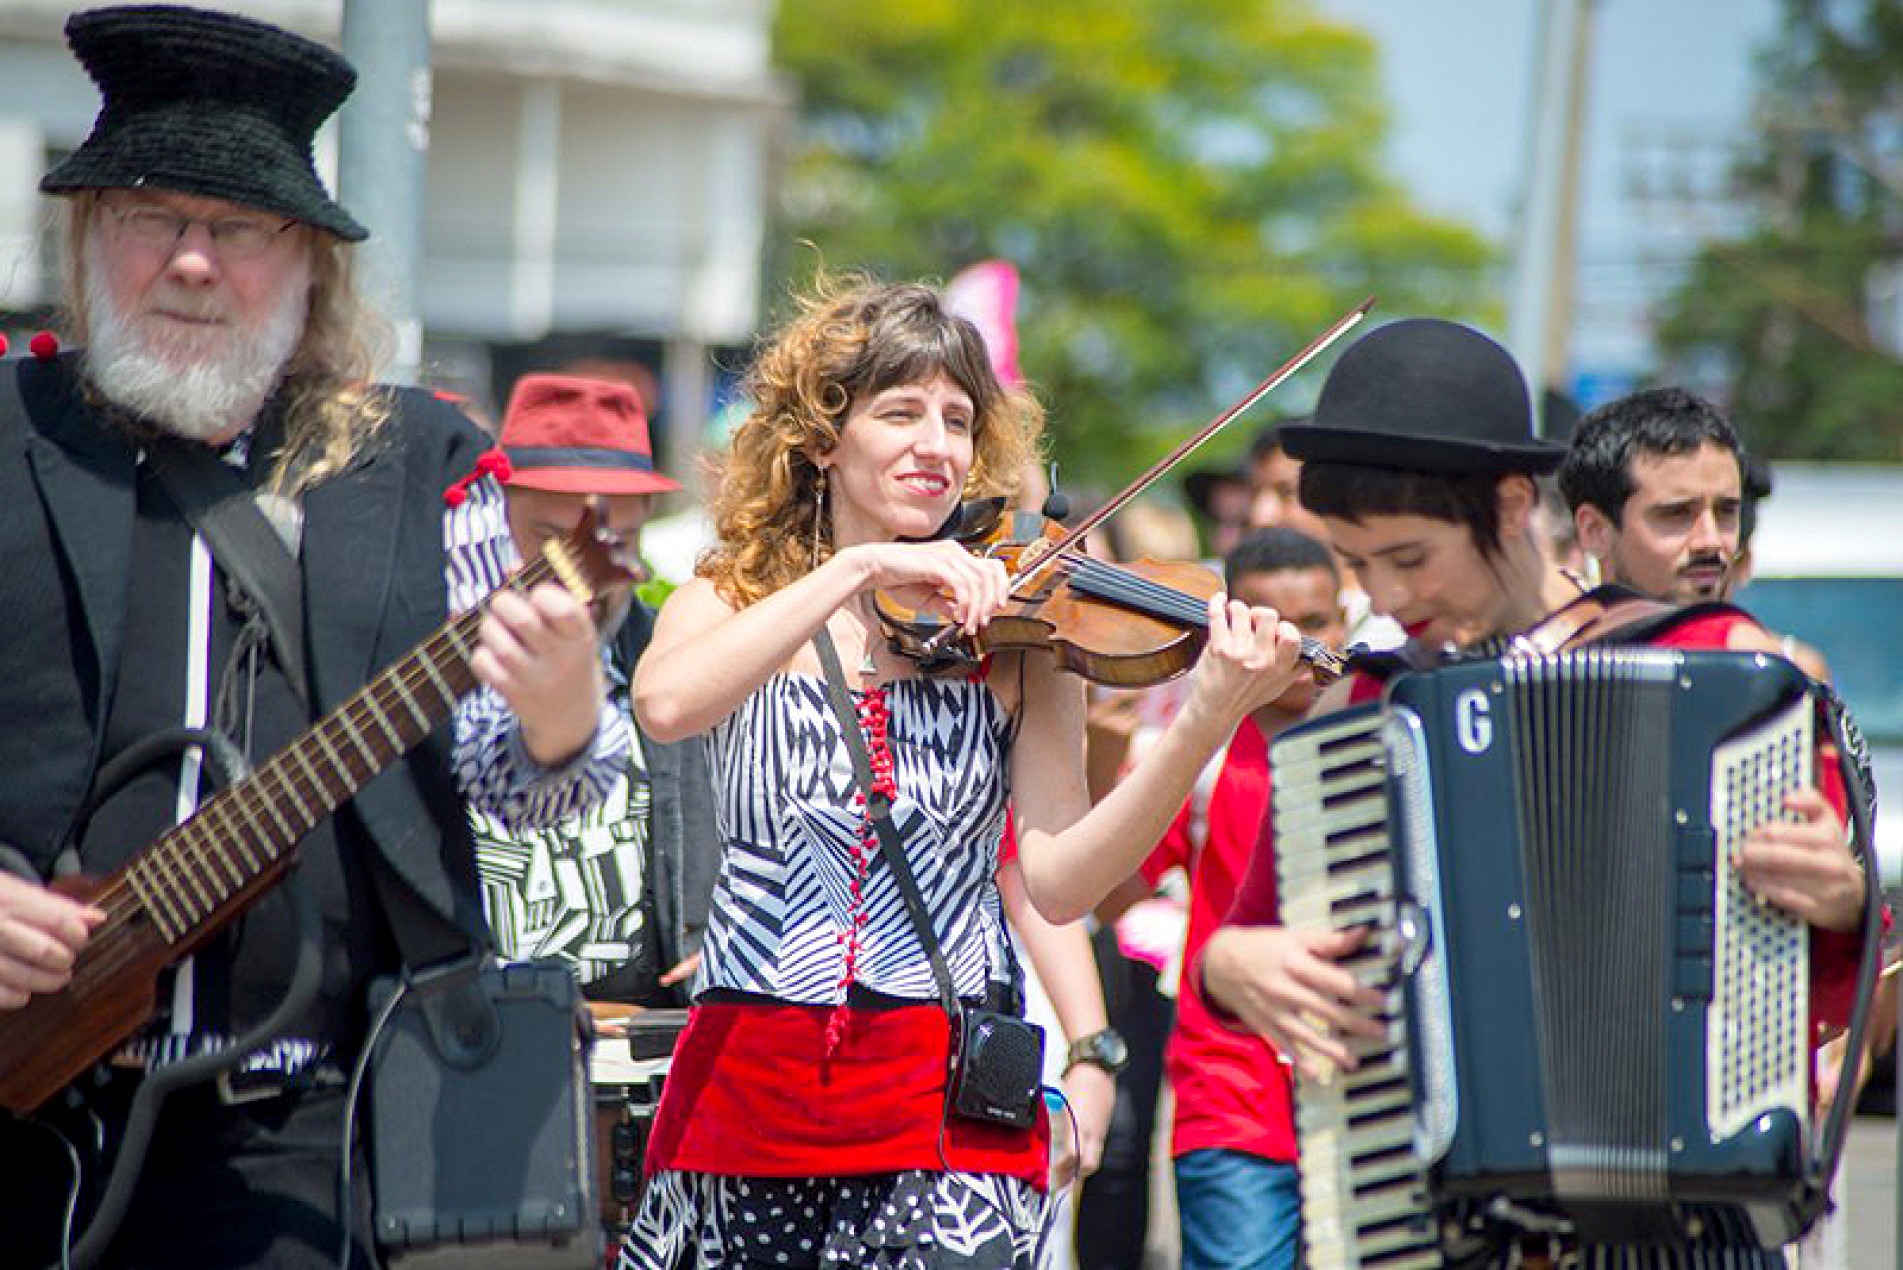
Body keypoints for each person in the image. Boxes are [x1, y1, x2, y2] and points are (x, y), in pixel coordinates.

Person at [0, 8, 627, 1267]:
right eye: (150, 218)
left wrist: (563, 711)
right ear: (86, 233)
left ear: (307, 263)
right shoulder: (5, 430)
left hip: (298, 1140)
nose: (191, 261)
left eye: (237, 229)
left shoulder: (420, 463)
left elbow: (531, 788)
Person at [618, 276, 1306, 1269]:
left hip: (943, 1103)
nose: (935, 444)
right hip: (746, 1092)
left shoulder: (1020, 639)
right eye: (899, 413)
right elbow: (668, 705)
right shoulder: (731, 599)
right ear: (822, 440)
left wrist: (1209, 714)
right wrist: (852, 573)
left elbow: (1062, 879)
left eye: (954, 418)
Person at [1197, 318, 1872, 1265]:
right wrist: (1231, 965)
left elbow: (1841, 972)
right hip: (1439, 1222)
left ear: (1513, 506)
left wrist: (1842, 898)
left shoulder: (1715, 669)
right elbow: (1242, 931)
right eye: (1358, 566)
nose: (1383, 597)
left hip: (1686, 1223)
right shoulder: (1370, 707)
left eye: (1409, 557)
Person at [474, 372, 716, 1008]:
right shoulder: (438, 659)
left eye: (615, 543)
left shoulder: (673, 657)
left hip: (640, 1038)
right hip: (466, 1032)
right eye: (552, 540)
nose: (581, 574)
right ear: (496, 515)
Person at [1142, 527, 1346, 1270]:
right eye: (1267, 621)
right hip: (1229, 1098)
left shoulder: (1388, 730)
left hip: (1356, 1092)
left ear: (1344, 624)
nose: (1293, 644)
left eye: (1315, 622)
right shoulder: (1199, 751)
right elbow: (1106, 896)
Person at [1558, 386, 1747, 606]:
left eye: (1726, 512)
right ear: (1594, 530)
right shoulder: (1561, 639)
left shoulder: (1753, 640)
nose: (1710, 541)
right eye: (1677, 513)